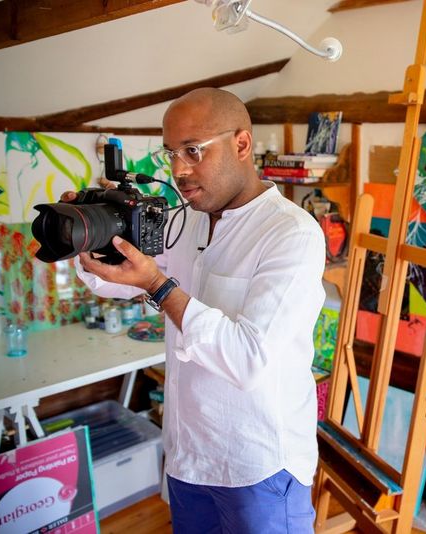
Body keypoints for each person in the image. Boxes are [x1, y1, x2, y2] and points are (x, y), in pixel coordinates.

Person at [71, 88, 326, 533]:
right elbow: (127, 278)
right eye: (171, 153)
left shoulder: (292, 234)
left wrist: (157, 283)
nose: (179, 170)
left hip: (258, 466)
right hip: (190, 454)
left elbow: (248, 359)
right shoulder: (185, 219)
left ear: (242, 144)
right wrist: (87, 239)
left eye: (193, 150)